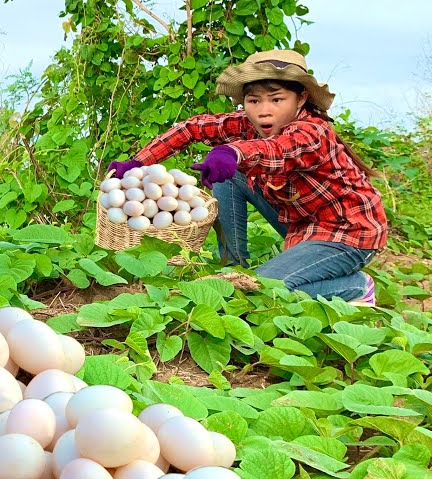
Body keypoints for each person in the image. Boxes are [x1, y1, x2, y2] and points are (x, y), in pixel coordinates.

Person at [107, 49, 388, 306]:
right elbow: (191, 128)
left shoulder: (312, 131)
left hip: (347, 233)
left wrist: (232, 152)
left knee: (261, 289)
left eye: (277, 99)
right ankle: (233, 264)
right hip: (301, 223)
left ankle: (356, 286)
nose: (264, 110)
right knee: (229, 177)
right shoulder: (248, 123)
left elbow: (278, 150)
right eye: (254, 101)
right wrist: (139, 162)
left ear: (301, 98)